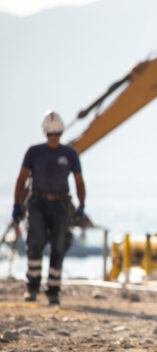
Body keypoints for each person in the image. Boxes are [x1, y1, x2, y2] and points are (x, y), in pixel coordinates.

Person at [12, 110, 86, 305]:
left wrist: (81, 205)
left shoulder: (70, 153)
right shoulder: (34, 152)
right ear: (44, 133)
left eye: (57, 134)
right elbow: (21, 179)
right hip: (37, 201)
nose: (54, 138)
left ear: (61, 133)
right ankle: (32, 287)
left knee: (59, 244)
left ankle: (53, 290)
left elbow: (79, 182)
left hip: (61, 203)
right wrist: (16, 205)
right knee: (35, 241)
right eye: (50, 134)